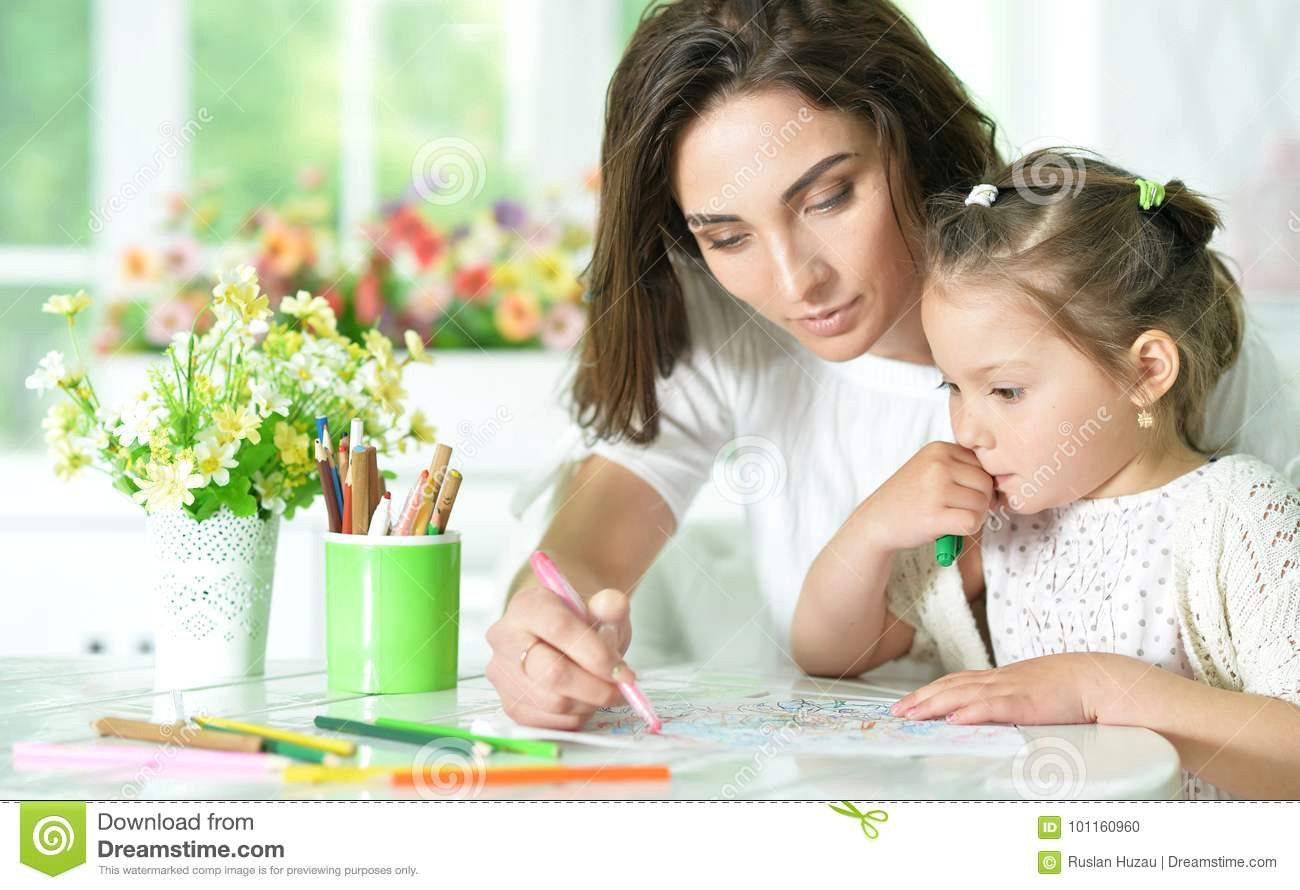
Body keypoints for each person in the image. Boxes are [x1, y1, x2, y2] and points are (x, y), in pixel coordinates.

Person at [485, 0, 1300, 732]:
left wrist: (1103, 695)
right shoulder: (715, 319)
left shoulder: (1121, 316)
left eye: (829, 197)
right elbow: (589, 553)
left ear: (906, 138)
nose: (796, 280)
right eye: (727, 236)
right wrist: (543, 631)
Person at [794, 151, 1300, 799]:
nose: (967, 429)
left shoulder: (1240, 513)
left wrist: (1100, 687)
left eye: (1004, 391)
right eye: (954, 386)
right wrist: (868, 533)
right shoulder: (996, 521)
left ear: (1144, 371)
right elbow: (829, 654)